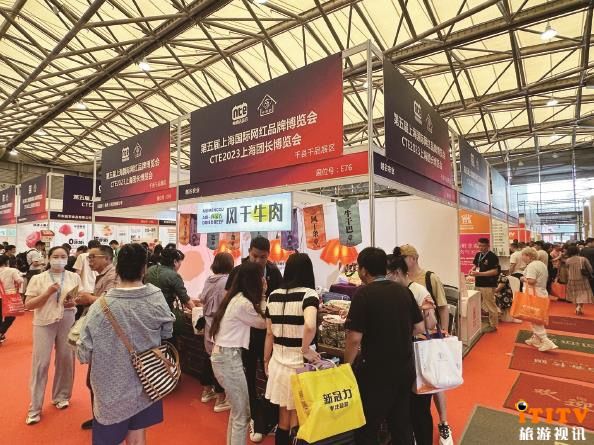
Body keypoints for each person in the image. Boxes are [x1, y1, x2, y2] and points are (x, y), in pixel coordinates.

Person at [77, 243, 174, 445]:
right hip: (148, 381)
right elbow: (167, 332)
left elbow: (83, 353)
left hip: (111, 390)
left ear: (117, 268)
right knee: (138, 436)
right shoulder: (156, 296)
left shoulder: (100, 306)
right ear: (144, 268)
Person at [345, 247, 424, 445]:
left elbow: (354, 338)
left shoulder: (363, 294)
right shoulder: (404, 291)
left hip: (376, 371)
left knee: (368, 426)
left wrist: (346, 366)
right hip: (405, 368)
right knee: (400, 422)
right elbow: (419, 327)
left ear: (363, 270)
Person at [225, 236, 282, 442]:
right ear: (249, 252)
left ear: (269, 255)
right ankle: (253, 417)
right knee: (247, 377)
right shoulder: (239, 271)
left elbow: (278, 300)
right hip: (244, 335)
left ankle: (269, 418)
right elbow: (227, 296)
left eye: (263, 257)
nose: (258, 261)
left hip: (267, 335)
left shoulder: (274, 272)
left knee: (270, 376)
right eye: (255, 256)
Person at [399, 244, 454, 443]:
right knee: (419, 389)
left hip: (429, 339)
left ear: (413, 258)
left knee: (435, 384)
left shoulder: (429, 278)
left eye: (403, 257)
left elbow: (443, 307)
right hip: (412, 343)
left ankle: (444, 423)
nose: (401, 260)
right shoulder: (400, 280)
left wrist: (443, 335)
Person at [264, 253, 320, 444]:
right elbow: (310, 325)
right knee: (298, 417)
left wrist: (266, 360)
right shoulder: (309, 294)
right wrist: (305, 350)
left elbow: (269, 333)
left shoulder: (273, 296)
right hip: (299, 366)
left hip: (278, 363)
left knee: (283, 418)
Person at [211, 262, 267, 445]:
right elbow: (264, 323)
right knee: (243, 415)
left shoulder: (236, 298)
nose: (263, 280)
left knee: (238, 412)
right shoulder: (243, 303)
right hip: (228, 358)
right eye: (261, 277)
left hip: (224, 356)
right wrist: (264, 295)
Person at [24, 246, 82, 425]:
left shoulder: (73, 277)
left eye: (63, 256)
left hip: (67, 319)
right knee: (41, 363)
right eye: (56, 256)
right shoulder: (38, 278)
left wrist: (73, 302)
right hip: (44, 322)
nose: (59, 259)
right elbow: (28, 304)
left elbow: (78, 298)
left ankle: (62, 396)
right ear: (48, 258)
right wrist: (48, 293)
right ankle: (35, 407)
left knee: (66, 359)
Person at [386, 249, 437, 445]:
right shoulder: (393, 291)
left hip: (419, 354)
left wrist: (424, 314)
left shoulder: (418, 291)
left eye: (388, 274)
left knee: (420, 407)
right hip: (402, 356)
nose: (386, 278)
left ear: (398, 272)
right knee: (403, 406)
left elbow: (431, 323)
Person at [75, 245, 120, 430]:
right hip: (101, 331)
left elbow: (110, 302)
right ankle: (101, 417)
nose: (90, 260)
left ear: (107, 258)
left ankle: (105, 418)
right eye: (89, 257)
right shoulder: (103, 275)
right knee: (95, 380)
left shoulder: (113, 275)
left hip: (108, 333)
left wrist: (89, 298)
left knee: (99, 380)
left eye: (93, 257)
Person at [200, 252, 235, 413]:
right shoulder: (227, 281)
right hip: (221, 324)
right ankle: (221, 399)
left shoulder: (209, 279)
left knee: (208, 358)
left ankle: (207, 391)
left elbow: (202, 298)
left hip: (208, 323)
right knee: (220, 361)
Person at [522, 247, 558, 352]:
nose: (522, 258)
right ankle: (536, 338)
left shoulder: (532, 266)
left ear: (528, 256)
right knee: (536, 317)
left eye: (523, 255)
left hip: (534, 295)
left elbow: (531, 281)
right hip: (541, 293)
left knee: (535, 318)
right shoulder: (541, 264)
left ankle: (546, 340)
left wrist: (522, 278)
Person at [145, 247, 193, 312]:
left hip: (147, 309)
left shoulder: (150, 269)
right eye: (180, 262)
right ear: (175, 262)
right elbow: (186, 301)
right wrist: (196, 311)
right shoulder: (174, 276)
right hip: (164, 312)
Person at [469, 238, 500, 334]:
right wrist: (472, 269)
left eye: (483, 246)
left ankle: (493, 325)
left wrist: (480, 274)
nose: (481, 248)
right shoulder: (478, 255)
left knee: (490, 305)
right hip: (478, 283)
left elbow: (495, 271)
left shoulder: (492, 256)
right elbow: (475, 265)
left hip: (488, 284)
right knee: (477, 303)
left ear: (488, 246)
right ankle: (479, 321)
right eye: (479, 245)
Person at [0, 254, 24, 343]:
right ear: (7, 261)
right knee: (10, 316)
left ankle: (1, 334)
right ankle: (1, 332)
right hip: (9, 296)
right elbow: (20, 280)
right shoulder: (12, 270)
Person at [564, 245, 593, 315]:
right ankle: (579, 307)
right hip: (582, 279)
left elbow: (567, 270)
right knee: (583, 294)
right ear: (577, 251)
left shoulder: (567, 260)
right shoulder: (583, 259)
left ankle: (577, 308)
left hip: (571, 279)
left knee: (575, 294)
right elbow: (590, 269)